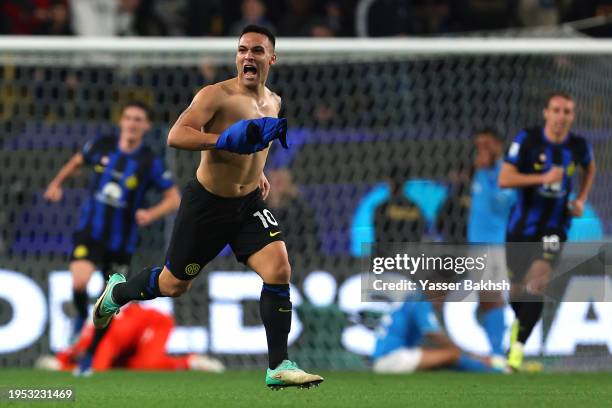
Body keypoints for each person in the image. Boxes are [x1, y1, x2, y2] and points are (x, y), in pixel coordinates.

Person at [93, 25, 323, 389]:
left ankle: (278, 366)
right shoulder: (216, 95)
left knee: (279, 268)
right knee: (173, 286)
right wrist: (222, 140)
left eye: (257, 51)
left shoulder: (274, 101)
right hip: (207, 206)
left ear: (272, 58)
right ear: (236, 56)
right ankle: (116, 294)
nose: (248, 56)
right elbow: (176, 135)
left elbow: (255, 145)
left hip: (247, 205)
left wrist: (258, 173)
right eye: (243, 49)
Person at [44, 101, 181, 373]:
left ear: (146, 126)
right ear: (122, 121)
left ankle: (89, 357)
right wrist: (56, 184)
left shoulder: (149, 162)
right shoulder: (101, 145)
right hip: (90, 231)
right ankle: (81, 314)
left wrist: (151, 214)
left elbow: (174, 198)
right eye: (128, 117)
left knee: (108, 304)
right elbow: (76, 162)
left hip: (122, 243)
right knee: (80, 280)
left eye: (138, 119)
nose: (132, 123)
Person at [498, 91, 596, 371]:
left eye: (567, 111)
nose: (561, 116)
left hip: (555, 225)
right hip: (520, 227)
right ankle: (519, 329)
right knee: (517, 291)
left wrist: (581, 199)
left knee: (536, 284)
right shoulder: (527, 140)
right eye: (556, 110)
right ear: (546, 113)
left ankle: (516, 352)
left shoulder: (578, 146)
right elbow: (504, 179)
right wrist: (542, 177)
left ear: (572, 116)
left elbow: (590, 168)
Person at [38, 303, 224, 373]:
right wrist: (58, 361)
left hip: (154, 324)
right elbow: (74, 351)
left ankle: (190, 362)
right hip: (130, 337)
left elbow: (98, 369)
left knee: (145, 366)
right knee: (126, 367)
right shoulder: (86, 337)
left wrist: (61, 367)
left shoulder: (103, 339)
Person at [467, 129, 516, 358]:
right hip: (478, 244)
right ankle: (497, 351)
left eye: (486, 144)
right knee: (486, 298)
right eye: (479, 145)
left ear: (498, 144)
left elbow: (502, 202)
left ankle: (498, 353)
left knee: (492, 295)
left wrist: (486, 173)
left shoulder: (505, 171)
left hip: (494, 245)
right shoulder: (480, 170)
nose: (482, 150)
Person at [372, 292, 507, 374]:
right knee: (452, 354)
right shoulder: (420, 301)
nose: (443, 299)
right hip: (391, 360)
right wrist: (476, 357)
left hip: (386, 359)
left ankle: (488, 367)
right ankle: (493, 370)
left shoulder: (412, 299)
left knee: (441, 356)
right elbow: (435, 336)